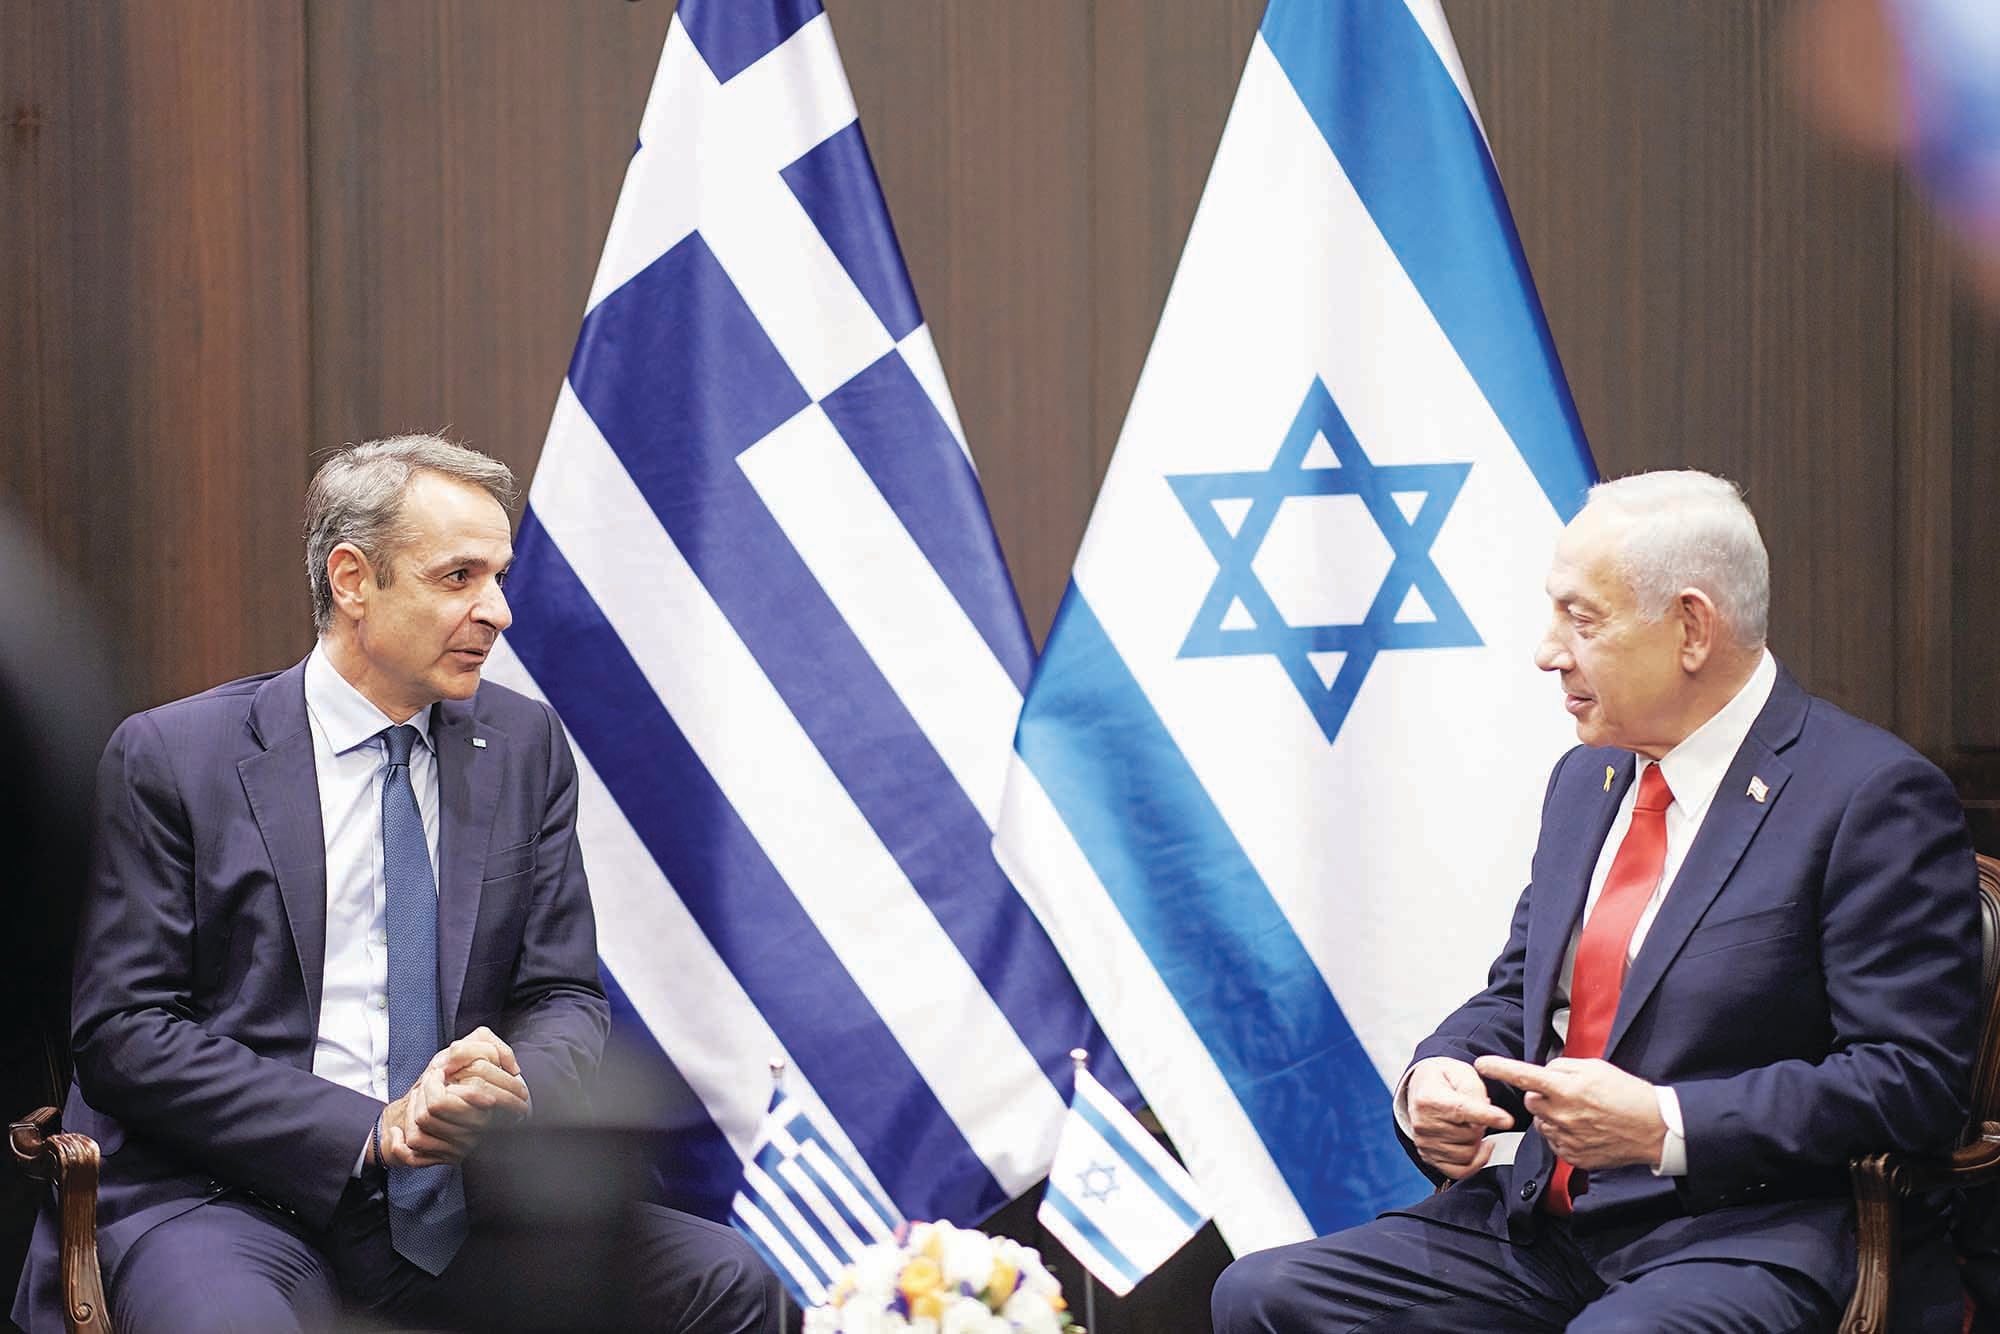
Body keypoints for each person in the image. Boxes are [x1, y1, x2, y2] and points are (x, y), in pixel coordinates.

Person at [11, 435, 779, 1333]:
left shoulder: (524, 748)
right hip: (227, 1198)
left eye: (499, 577)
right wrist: (369, 1128)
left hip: (464, 1203)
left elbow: (563, 994)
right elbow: (126, 1033)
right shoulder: (176, 757)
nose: (497, 611)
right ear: (352, 581)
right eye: (459, 578)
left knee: (730, 1282)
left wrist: (508, 1087)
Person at [1211, 470, 1982, 1332]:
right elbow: (1523, 995)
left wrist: (1664, 1124)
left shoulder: (1869, 796)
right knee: (1264, 1297)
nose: (1548, 652)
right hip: (1546, 1225)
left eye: (1582, 619)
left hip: (1746, 1230)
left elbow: (1911, 1082)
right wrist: (1443, 1073)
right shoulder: (1589, 779)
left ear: (1691, 628)